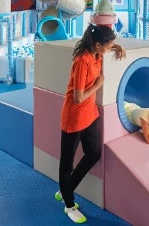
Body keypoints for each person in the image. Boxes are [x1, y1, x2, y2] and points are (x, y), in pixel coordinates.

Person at [55, 25, 126, 223]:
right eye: (108, 46)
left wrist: (117, 47)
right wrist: (96, 86)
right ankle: (69, 205)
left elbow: (107, 47)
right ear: (98, 45)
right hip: (74, 118)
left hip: (90, 115)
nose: (110, 48)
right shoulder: (82, 61)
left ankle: (65, 189)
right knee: (66, 164)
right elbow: (77, 98)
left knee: (93, 154)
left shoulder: (97, 54)